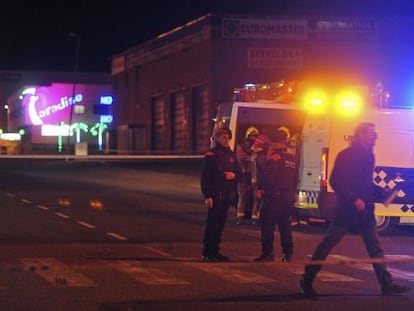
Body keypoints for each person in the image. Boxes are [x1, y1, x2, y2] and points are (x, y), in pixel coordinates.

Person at [300, 122, 411, 296]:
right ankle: (307, 280)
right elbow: (335, 181)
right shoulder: (347, 155)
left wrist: (381, 191)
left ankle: (386, 284)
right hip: (347, 210)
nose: (375, 136)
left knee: (375, 248)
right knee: (327, 244)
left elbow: (365, 183)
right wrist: (353, 199)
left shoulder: (369, 155)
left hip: (365, 211)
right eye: (370, 133)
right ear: (360, 135)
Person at [254, 128, 298, 262]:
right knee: (285, 224)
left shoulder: (275, 159)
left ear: (276, 143)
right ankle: (288, 253)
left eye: (271, 143)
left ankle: (268, 253)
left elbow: (268, 177)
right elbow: (295, 179)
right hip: (288, 195)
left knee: (267, 224)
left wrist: (262, 189)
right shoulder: (292, 159)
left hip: (274, 196)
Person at [200, 127, 240, 262]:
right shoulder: (211, 155)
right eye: (223, 137)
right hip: (215, 193)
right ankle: (207, 252)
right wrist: (207, 196)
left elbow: (240, 174)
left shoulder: (231, 155)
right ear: (217, 138)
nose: (226, 140)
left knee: (220, 224)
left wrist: (233, 176)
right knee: (212, 224)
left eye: (228, 137)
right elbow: (205, 178)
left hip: (226, 194)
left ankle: (215, 250)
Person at [236, 126, 259, 225]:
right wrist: (253, 156)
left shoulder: (257, 146)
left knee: (256, 198)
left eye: (255, 136)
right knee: (243, 196)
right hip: (244, 175)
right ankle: (240, 217)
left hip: (254, 176)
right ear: (248, 136)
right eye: (252, 135)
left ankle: (255, 218)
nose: (254, 138)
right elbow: (242, 157)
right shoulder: (241, 146)